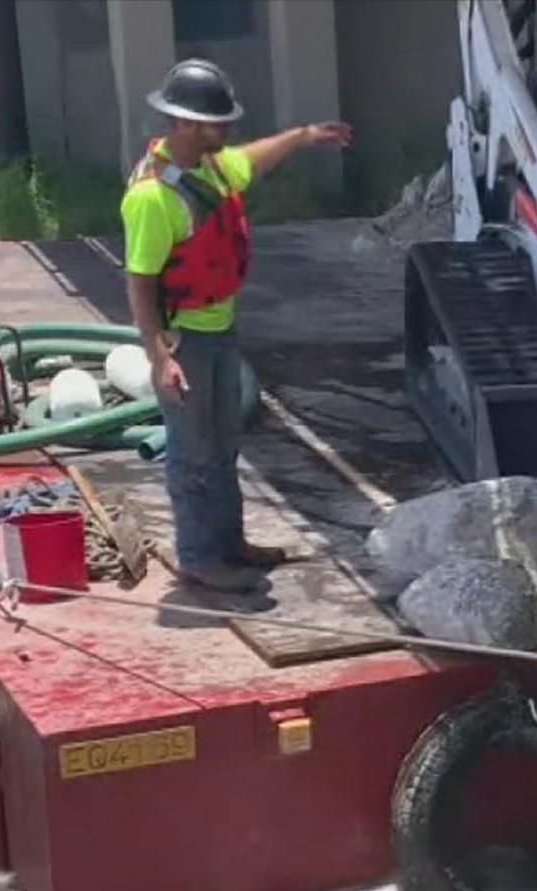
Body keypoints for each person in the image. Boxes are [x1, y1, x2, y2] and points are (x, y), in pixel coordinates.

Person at [121, 59, 352, 594]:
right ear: (182, 124)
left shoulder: (212, 168)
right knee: (192, 449)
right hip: (188, 341)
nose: (225, 132)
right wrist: (161, 358)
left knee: (224, 442)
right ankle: (199, 556)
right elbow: (139, 284)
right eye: (213, 124)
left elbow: (252, 159)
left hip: (221, 329)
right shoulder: (154, 198)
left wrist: (302, 136)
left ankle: (230, 544)